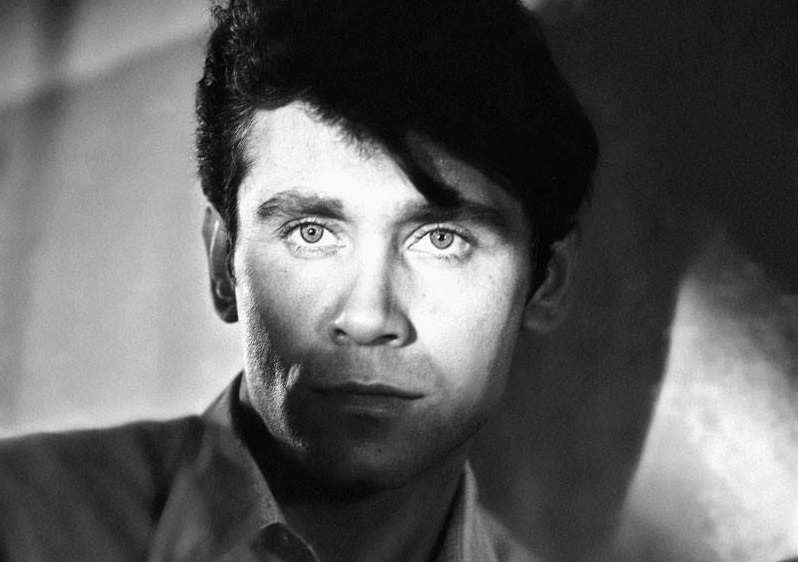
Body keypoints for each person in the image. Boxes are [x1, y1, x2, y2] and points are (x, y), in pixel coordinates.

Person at [0, 0, 597, 560]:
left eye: (442, 240)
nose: (367, 318)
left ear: (546, 280)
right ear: (223, 263)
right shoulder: (18, 519)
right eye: (311, 233)